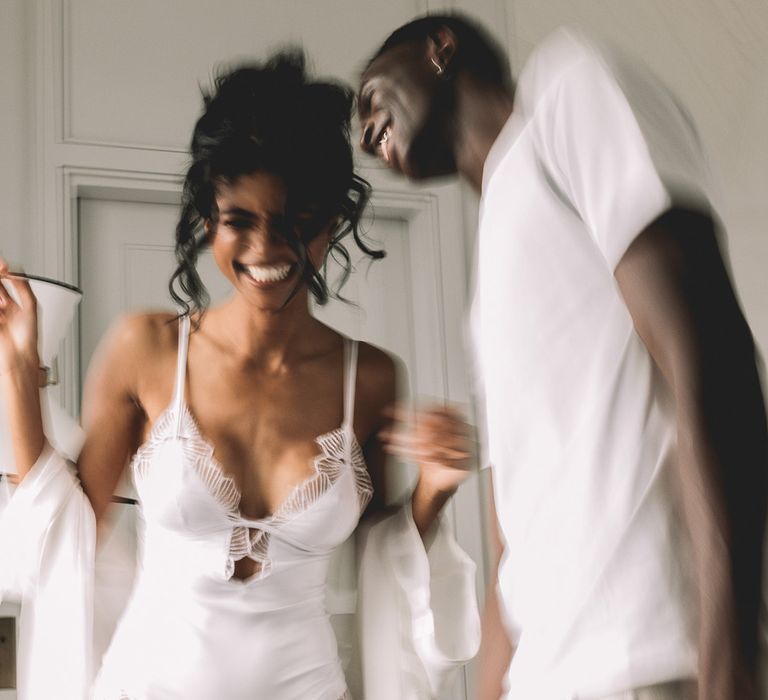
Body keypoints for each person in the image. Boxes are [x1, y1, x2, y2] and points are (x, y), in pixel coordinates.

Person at [0, 51, 481, 699]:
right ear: (209, 222)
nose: (264, 249)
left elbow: (382, 568)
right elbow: (67, 536)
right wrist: (17, 364)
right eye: (240, 221)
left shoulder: (367, 379)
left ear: (331, 223)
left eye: (294, 223)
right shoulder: (143, 349)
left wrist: (436, 489)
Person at [358, 13, 768, 700]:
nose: (363, 130)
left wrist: (729, 667)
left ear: (440, 49)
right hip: (551, 675)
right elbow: (512, 536)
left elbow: (713, 365)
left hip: (654, 661)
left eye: (370, 94)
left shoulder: (567, 86)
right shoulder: (486, 280)